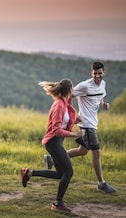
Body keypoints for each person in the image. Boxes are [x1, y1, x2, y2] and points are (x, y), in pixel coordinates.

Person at [44, 61, 116, 193]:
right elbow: (68, 95)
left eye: (100, 73)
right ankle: (101, 183)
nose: (97, 76)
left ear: (104, 72)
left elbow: (99, 97)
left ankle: (52, 159)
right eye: (95, 74)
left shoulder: (103, 85)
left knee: (82, 150)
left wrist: (103, 104)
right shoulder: (84, 86)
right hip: (86, 124)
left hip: (93, 123)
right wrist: (71, 114)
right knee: (97, 152)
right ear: (91, 73)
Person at [21, 79, 84, 212]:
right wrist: (75, 135)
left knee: (60, 174)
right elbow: (56, 130)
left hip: (57, 142)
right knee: (69, 172)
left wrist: (79, 120)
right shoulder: (59, 105)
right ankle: (57, 203)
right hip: (53, 142)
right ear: (70, 90)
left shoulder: (65, 103)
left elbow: (67, 118)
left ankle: (29, 173)